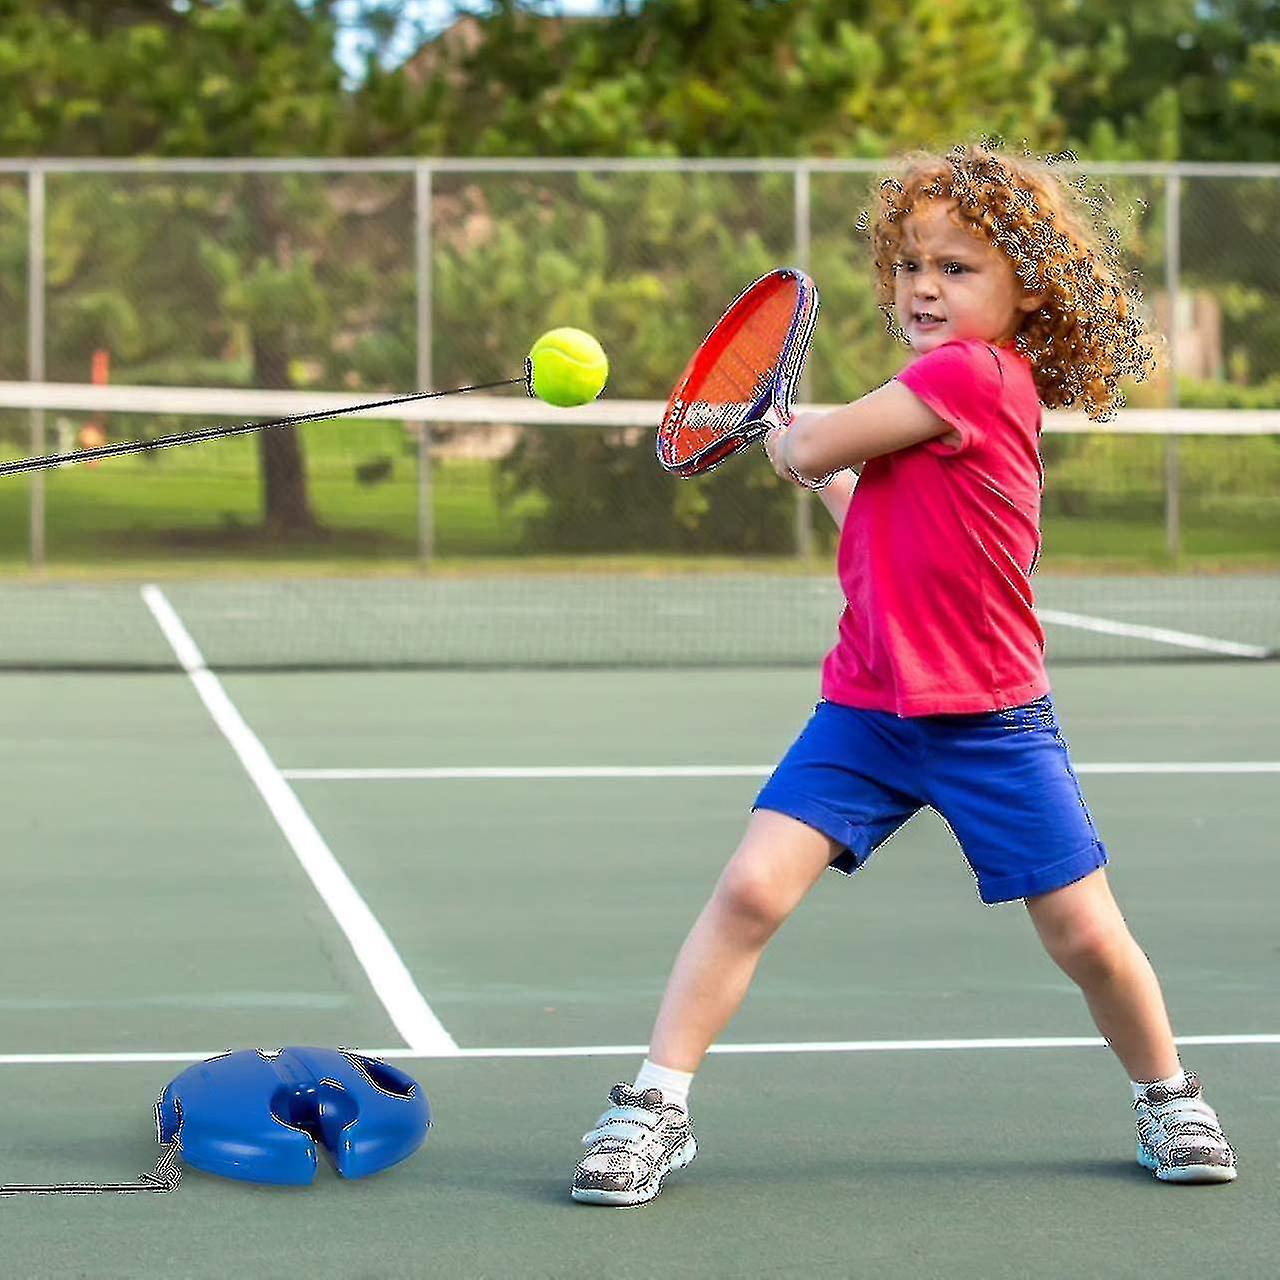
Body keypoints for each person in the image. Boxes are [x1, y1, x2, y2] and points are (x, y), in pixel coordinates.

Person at [570, 143, 1237, 1207]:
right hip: (867, 709)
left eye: (957, 267)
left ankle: (1169, 1094)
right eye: (909, 264)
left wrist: (790, 442)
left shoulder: (965, 374)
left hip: (991, 719)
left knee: (1082, 932)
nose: (922, 286)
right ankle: (651, 1105)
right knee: (748, 888)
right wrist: (821, 468)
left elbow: (814, 448)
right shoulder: (930, 400)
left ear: (1028, 290)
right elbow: (866, 513)